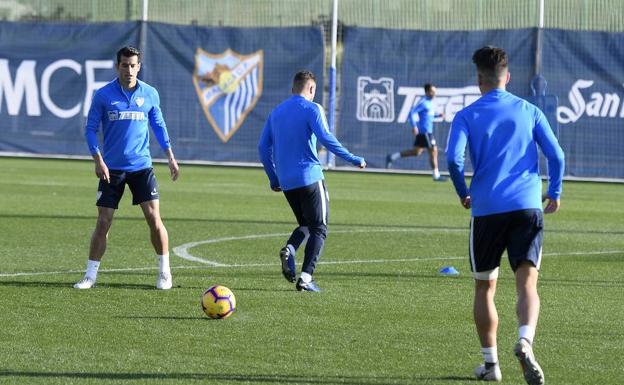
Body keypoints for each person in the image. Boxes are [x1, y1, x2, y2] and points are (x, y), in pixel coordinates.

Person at [446, 46, 564, 384]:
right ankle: (525, 340)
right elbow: (556, 155)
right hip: (527, 206)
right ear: (507, 77)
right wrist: (554, 192)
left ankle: (491, 366)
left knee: (485, 288)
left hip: (487, 209)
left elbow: (453, 161)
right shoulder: (529, 110)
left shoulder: (467, 115)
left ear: (479, 79)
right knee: (526, 283)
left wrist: (462, 191)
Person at [74, 46, 180, 290]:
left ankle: (165, 273)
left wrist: (170, 157)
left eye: (133, 65)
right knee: (104, 222)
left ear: (139, 66)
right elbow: (90, 128)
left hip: (142, 167)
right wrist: (97, 159)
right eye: (124, 65)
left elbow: (159, 126)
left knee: (154, 219)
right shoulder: (103, 95)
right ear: (117, 66)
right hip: (112, 169)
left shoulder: (150, 94)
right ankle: (90, 275)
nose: (129, 69)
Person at [258, 70, 366, 292]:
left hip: (287, 182)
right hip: (309, 177)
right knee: (319, 228)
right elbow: (326, 137)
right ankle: (306, 278)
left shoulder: (276, 112)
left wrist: (273, 177)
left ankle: (290, 249)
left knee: (307, 224)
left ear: (292, 88)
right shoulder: (313, 108)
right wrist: (353, 159)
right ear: (312, 89)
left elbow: (262, 147)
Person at [386, 83, 446, 181]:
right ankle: (436, 175)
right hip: (425, 132)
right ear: (427, 92)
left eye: (435, 92)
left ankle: (392, 157)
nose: (434, 93)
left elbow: (429, 116)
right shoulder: (423, 102)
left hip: (426, 132)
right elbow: (411, 113)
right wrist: (414, 126)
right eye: (432, 92)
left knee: (416, 152)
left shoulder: (430, 103)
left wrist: (438, 116)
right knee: (433, 151)